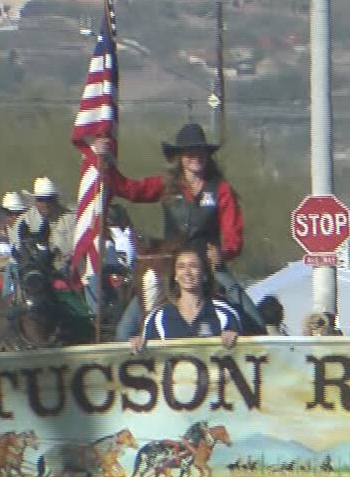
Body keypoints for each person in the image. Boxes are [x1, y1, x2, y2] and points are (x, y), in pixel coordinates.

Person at [127, 243, 243, 477]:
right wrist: (136, 346)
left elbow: (250, 356)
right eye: (182, 267)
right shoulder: (160, 318)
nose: (189, 272)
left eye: (195, 266)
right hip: (169, 415)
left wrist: (235, 339)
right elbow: (142, 363)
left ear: (204, 273)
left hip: (208, 413)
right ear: (174, 275)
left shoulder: (224, 313)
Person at [103, 122, 262, 338]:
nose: (195, 156)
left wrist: (223, 254)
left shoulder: (221, 189)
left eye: (200, 152)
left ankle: (262, 337)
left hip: (208, 265)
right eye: (189, 152)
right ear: (179, 157)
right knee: (124, 330)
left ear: (207, 156)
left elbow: (234, 234)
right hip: (169, 264)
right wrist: (105, 162)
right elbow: (128, 189)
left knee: (250, 315)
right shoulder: (166, 184)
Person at [13, 177, 77, 264]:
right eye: (40, 199)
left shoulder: (70, 220)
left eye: (49, 199)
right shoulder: (24, 221)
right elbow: (18, 251)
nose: (45, 204)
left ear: (55, 200)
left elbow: (74, 250)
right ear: (35, 201)